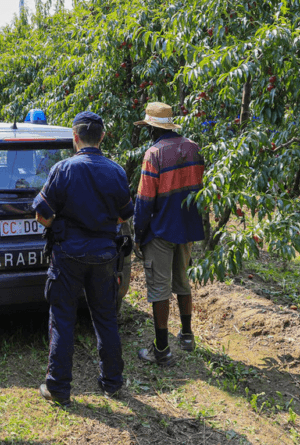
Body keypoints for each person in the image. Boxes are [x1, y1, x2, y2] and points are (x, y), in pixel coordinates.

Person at [33, 111, 134, 406]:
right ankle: (112, 383)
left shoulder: (63, 169)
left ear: (75, 137)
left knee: (63, 319)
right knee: (106, 319)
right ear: (102, 137)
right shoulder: (116, 171)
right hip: (104, 256)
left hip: (67, 255)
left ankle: (58, 389)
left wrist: (61, 226)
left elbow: (42, 214)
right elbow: (125, 214)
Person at [133, 102, 206, 366]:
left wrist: (138, 235)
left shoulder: (154, 154)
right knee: (183, 282)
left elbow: (144, 200)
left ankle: (161, 349)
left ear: (152, 128)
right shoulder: (193, 147)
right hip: (186, 229)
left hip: (161, 230)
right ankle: (187, 335)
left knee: (159, 289)